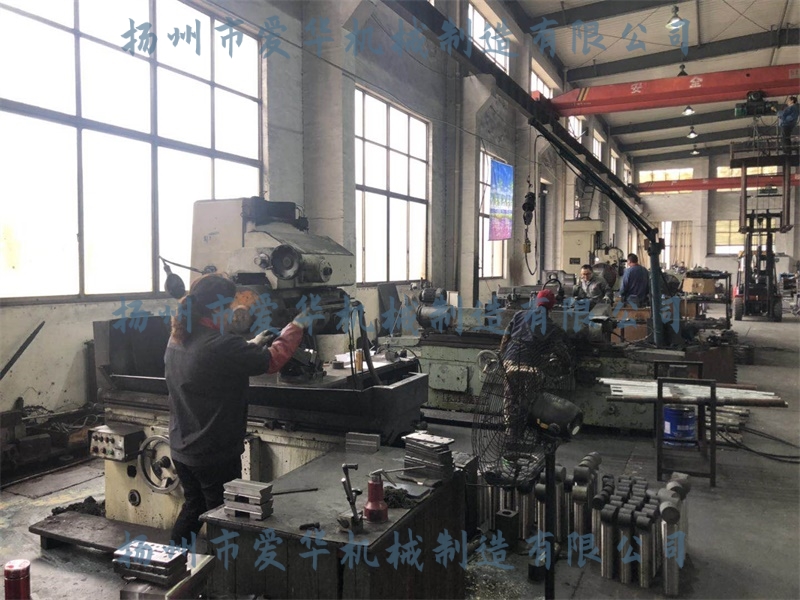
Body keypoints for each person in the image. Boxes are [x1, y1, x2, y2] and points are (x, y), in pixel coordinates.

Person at [165, 273, 307, 544]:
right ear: (217, 308)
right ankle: (225, 567)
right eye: (230, 306)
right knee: (226, 518)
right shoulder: (222, 345)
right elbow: (272, 360)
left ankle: (172, 560)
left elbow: (217, 356)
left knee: (194, 505)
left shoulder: (178, 338)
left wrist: (251, 344)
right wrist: (297, 325)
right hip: (213, 452)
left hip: (182, 447)